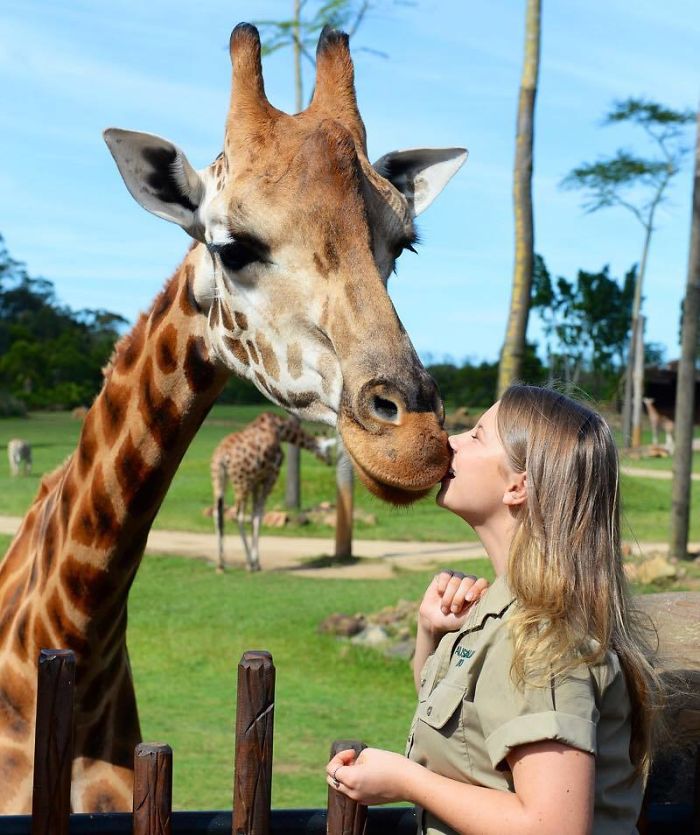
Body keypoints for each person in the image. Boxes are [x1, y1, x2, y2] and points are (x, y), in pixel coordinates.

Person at [326, 384, 659, 835]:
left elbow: (553, 827)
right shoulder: (507, 609)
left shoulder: (545, 640)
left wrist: (407, 781)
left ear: (518, 487)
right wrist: (432, 633)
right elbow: (466, 726)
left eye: (477, 436)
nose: (451, 441)